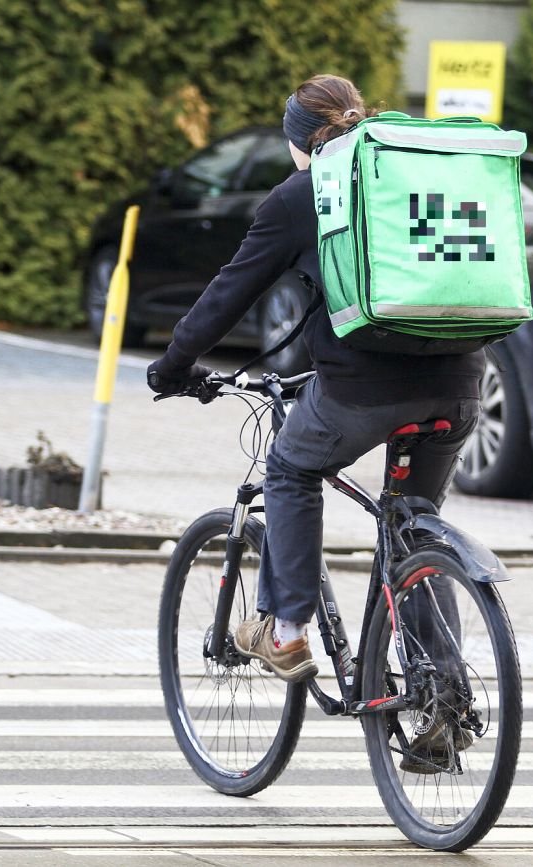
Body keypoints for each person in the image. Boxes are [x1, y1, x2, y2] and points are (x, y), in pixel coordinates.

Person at [146, 74, 483, 684]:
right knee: (413, 522)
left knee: (289, 467)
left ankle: (286, 631)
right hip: (459, 382)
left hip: (361, 390)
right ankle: (442, 690)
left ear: (298, 142)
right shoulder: (414, 174)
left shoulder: (302, 195)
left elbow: (228, 293)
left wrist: (173, 366)